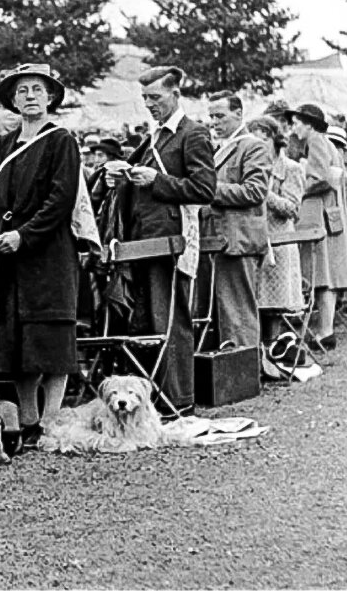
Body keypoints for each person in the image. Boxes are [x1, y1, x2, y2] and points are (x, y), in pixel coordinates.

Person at [0, 63, 83, 450]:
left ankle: (51, 419)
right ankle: (27, 417)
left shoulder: (61, 141)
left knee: (49, 338)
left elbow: (60, 199)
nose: (30, 96)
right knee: (16, 338)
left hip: (48, 255)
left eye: (37, 89)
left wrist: (25, 235)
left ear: (50, 96)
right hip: (6, 255)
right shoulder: (4, 145)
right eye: (22, 91)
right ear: (13, 100)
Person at [105, 67, 216, 418]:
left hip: (170, 243)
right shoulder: (153, 137)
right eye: (145, 99)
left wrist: (157, 180)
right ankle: (151, 398)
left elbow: (204, 189)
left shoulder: (192, 134)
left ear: (176, 95)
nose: (150, 105)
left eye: (156, 98)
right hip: (143, 242)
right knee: (147, 323)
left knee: (170, 321)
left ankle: (178, 399)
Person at [197, 92, 270, 351]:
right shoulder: (220, 148)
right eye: (211, 117)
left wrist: (207, 189)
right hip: (215, 240)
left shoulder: (253, 146)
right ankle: (228, 373)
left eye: (220, 116)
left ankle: (246, 370)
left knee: (238, 314)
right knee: (219, 313)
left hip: (238, 241)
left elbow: (254, 191)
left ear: (239, 114)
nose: (214, 122)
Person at [286, 104, 347, 349]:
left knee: (324, 274)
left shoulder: (318, 142)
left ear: (309, 124)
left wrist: (297, 189)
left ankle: (325, 330)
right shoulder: (326, 143)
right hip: (327, 214)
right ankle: (325, 329)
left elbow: (319, 178)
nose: (294, 127)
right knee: (325, 274)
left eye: (298, 122)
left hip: (320, 215)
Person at [247, 116, 306, 343]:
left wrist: (264, 193)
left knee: (274, 303)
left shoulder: (291, 168)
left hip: (280, 241)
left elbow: (292, 208)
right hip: (257, 238)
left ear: (273, 138)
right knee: (255, 299)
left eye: (261, 141)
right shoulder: (252, 166)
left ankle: (274, 349)